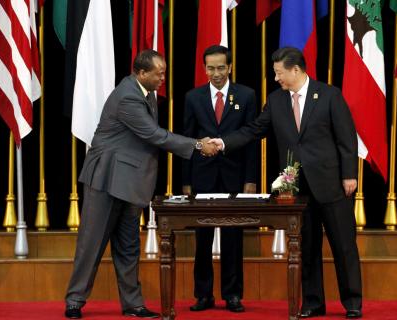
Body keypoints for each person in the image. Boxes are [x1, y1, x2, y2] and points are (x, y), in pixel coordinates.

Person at [210, 47, 363, 319]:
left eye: (279, 73)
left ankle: (352, 302)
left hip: (333, 185)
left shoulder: (329, 95)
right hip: (296, 189)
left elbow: (346, 139)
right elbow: (253, 130)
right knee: (307, 248)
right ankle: (313, 302)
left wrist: (349, 174)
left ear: (296, 70)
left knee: (344, 245)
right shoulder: (277, 101)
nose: (277, 78)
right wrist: (223, 142)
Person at [64, 49, 218, 319]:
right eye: (158, 74)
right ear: (141, 73)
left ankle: (132, 303)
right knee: (92, 244)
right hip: (106, 180)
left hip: (130, 183)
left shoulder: (145, 94)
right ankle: (75, 301)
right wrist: (197, 145)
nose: (162, 78)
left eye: (164, 73)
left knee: (129, 246)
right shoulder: (127, 97)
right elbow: (153, 134)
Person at [182, 45, 257, 313]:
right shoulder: (193, 97)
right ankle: (203, 295)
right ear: (205, 69)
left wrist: (250, 179)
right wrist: (186, 182)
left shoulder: (246, 96)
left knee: (233, 238)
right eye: (211, 68)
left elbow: (250, 139)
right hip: (202, 177)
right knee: (202, 238)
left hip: (235, 177)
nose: (216, 73)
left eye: (221, 68)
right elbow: (187, 142)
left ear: (230, 67)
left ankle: (233, 294)